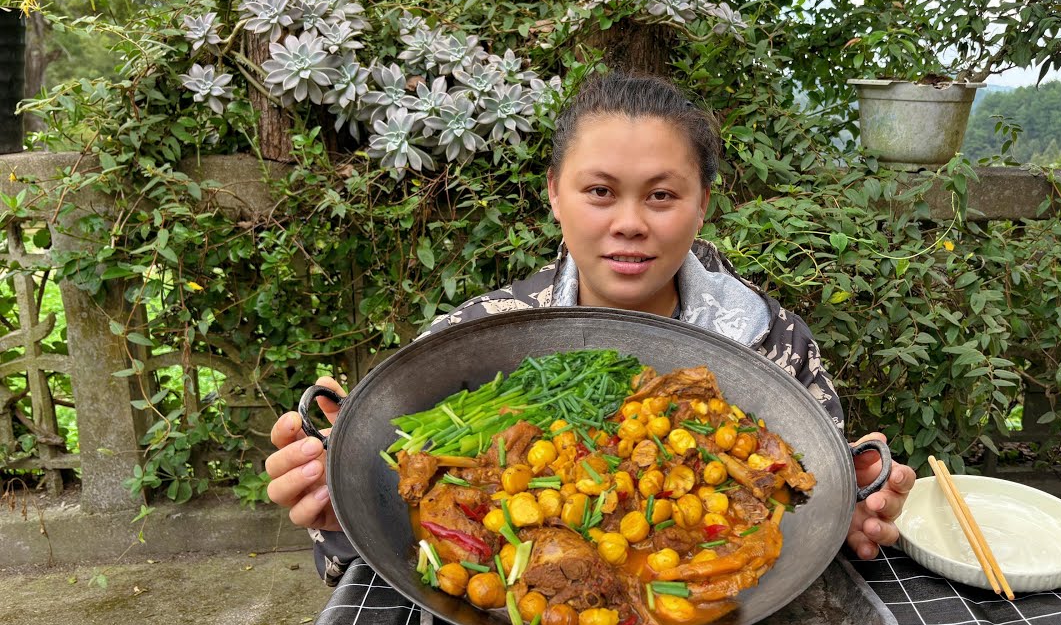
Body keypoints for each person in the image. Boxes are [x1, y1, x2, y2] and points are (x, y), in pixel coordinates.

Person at [266, 71, 916, 585]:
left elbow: (816, 508)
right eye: (600, 191)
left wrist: (860, 511)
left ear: (702, 205)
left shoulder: (775, 340)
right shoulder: (467, 337)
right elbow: (379, 543)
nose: (630, 223)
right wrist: (339, 517)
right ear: (555, 193)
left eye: (661, 195)